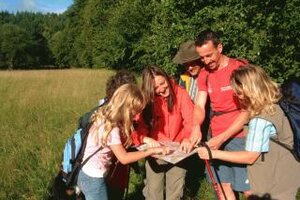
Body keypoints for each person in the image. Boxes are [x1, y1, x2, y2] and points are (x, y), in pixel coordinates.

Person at [198, 64, 300, 199]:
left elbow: (250, 156)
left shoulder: (260, 121)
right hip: (286, 175)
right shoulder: (275, 106)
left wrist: (213, 153)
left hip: (270, 184)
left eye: (239, 92)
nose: (237, 96)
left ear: (251, 90)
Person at [181, 30, 250, 199]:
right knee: (222, 184)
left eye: (209, 55)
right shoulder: (204, 74)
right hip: (216, 133)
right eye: (202, 57)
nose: (205, 61)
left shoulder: (239, 68)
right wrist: (196, 126)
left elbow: (247, 111)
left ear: (219, 47)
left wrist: (223, 137)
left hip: (239, 135)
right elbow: (199, 105)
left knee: (248, 188)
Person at [76, 84, 170, 200]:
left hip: (85, 172)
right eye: (133, 112)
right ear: (126, 107)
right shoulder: (112, 128)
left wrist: (144, 139)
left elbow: (125, 141)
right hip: (94, 179)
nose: (135, 116)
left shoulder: (105, 114)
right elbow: (124, 158)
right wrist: (151, 151)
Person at [132, 65, 194, 200]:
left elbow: (190, 121)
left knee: (176, 192)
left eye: (162, 83)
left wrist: (187, 138)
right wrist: (146, 139)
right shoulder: (146, 100)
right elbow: (140, 126)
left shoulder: (180, 93)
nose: (161, 89)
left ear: (166, 77)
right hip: (156, 151)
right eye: (155, 88)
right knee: (154, 191)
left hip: (178, 150)